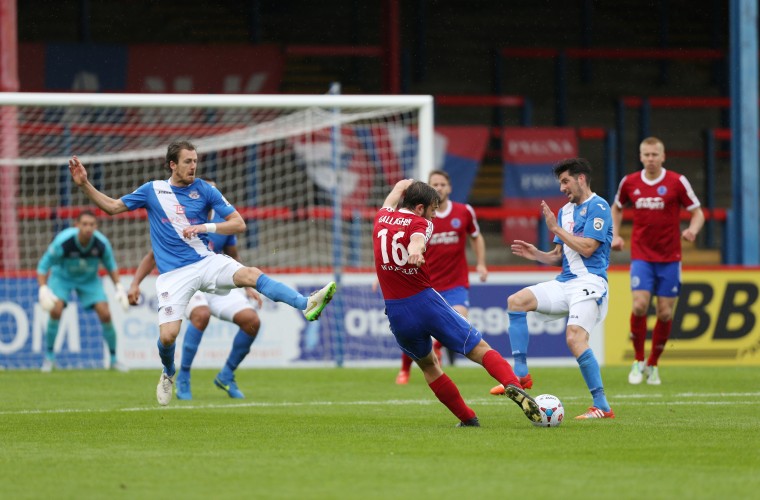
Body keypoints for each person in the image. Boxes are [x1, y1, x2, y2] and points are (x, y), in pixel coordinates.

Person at [68, 140, 336, 405]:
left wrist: (205, 228)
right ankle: (169, 372)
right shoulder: (153, 190)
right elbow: (112, 207)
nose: (193, 166)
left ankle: (306, 302)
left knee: (250, 274)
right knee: (167, 336)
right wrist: (84, 185)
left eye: (195, 161)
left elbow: (238, 224)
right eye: (187, 161)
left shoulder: (206, 190)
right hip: (174, 275)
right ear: (172, 165)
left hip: (205, 261)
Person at [374, 178, 541, 427]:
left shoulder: (381, 217)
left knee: (430, 367)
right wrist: (416, 250)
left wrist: (404, 184)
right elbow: (417, 238)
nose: (433, 217)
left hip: (397, 313)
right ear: (420, 208)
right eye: (432, 211)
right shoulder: (422, 223)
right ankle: (513, 385)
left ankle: (467, 419)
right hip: (425, 303)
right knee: (480, 349)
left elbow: (396, 192)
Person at [490, 158, 615, 420]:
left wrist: (556, 229)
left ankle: (602, 405)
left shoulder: (599, 206)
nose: (562, 188)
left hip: (591, 282)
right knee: (516, 301)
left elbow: (589, 248)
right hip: (565, 281)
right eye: (560, 183)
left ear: (581, 179)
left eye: (565, 181)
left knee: (574, 338)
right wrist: (537, 254)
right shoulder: (565, 211)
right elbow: (560, 255)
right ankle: (521, 376)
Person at [611, 137, 704, 386]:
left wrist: (693, 230)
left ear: (663, 156)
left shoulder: (677, 181)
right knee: (640, 305)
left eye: (655, 154)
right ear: (640, 156)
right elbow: (617, 207)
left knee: (664, 312)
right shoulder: (630, 182)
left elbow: (697, 212)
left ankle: (653, 363)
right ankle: (638, 360)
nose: (650, 158)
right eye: (646, 154)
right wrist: (615, 234)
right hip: (642, 256)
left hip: (670, 258)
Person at [395, 169, 488, 384]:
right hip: (426, 283)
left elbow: (476, 236)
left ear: (450, 188)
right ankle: (404, 368)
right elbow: (398, 246)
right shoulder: (419, 216)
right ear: (428, 188)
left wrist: (481, 263)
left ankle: (436, 348)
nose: (439, 188)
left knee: (459, 315)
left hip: (455, 283)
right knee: (414, 328)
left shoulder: (464, 212)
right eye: (434, 184)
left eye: (442, 184)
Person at [37, 210, 130, 372]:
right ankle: (49, 358)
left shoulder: (101, 244)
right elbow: (43, 266)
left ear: (96, 226)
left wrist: (119, 287)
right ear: (77, 225)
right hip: (62, 277)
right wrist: (43, 288)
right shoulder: (64, 241)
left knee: (105, 313)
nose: (88, 228)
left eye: (92, 224)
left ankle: (114, 360)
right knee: (56, 310)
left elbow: (111, 267)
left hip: (89, 280)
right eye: (84, 224)